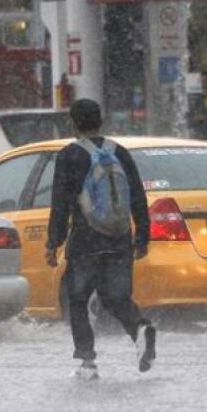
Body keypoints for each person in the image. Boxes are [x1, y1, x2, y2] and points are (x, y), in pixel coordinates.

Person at [46, 98, 157, 380]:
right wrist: (143, 235)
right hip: (119, 238)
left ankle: (87, 362)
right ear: (101, 122)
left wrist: (53, 242)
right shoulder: (119, 152)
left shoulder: (70, 155)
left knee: (79, 298)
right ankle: (141, 329)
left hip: (86, 240)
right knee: (116, 297)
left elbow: (60, 204)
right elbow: (137, 197)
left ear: (73, 124)